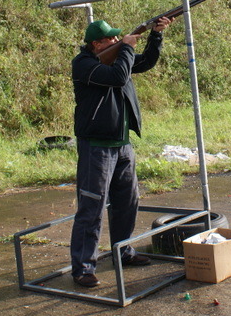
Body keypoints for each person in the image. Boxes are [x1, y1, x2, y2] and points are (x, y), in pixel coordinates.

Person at [69, 16, 172, 287]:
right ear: (97, 44)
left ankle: (123, 252)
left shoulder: (115, 58)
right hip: (96, 146)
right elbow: (117, 78)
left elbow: (145, 62)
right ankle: (83, 268)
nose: (116, 40)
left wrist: (156, 35)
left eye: (117, 38)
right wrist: (126, 47)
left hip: (122, 143)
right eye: (111, 39)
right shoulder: (84, 64)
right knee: (92, 206)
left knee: (128, 201)